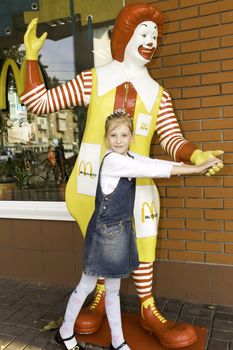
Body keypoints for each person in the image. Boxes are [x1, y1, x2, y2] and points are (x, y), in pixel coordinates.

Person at [20, 3, 224, 348]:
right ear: (126, 37)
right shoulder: (94, 79)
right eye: (144, 33)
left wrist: (196, 154)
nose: (151, 41)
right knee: (100, 248)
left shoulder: (159, 94)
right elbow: (37, 102)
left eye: (155, 35)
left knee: (143, 242)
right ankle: (98, 299)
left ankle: (147, 308)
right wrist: (30, 58)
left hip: (140, 184)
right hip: (90, 185)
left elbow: (171, 139)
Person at [55, 109, 221, 350]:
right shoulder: (114, 161)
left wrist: (197, 161)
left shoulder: (130, 158)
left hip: (119, 233)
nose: (119, 140)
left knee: (113, 291)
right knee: (86, 285)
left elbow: (153, 162)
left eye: (124, 135)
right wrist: (196, 169)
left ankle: (118, 341)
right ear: (106, 138)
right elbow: (154, 170)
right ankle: (65, 332)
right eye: (113, 135)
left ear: (132, 137)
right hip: (104, 235)